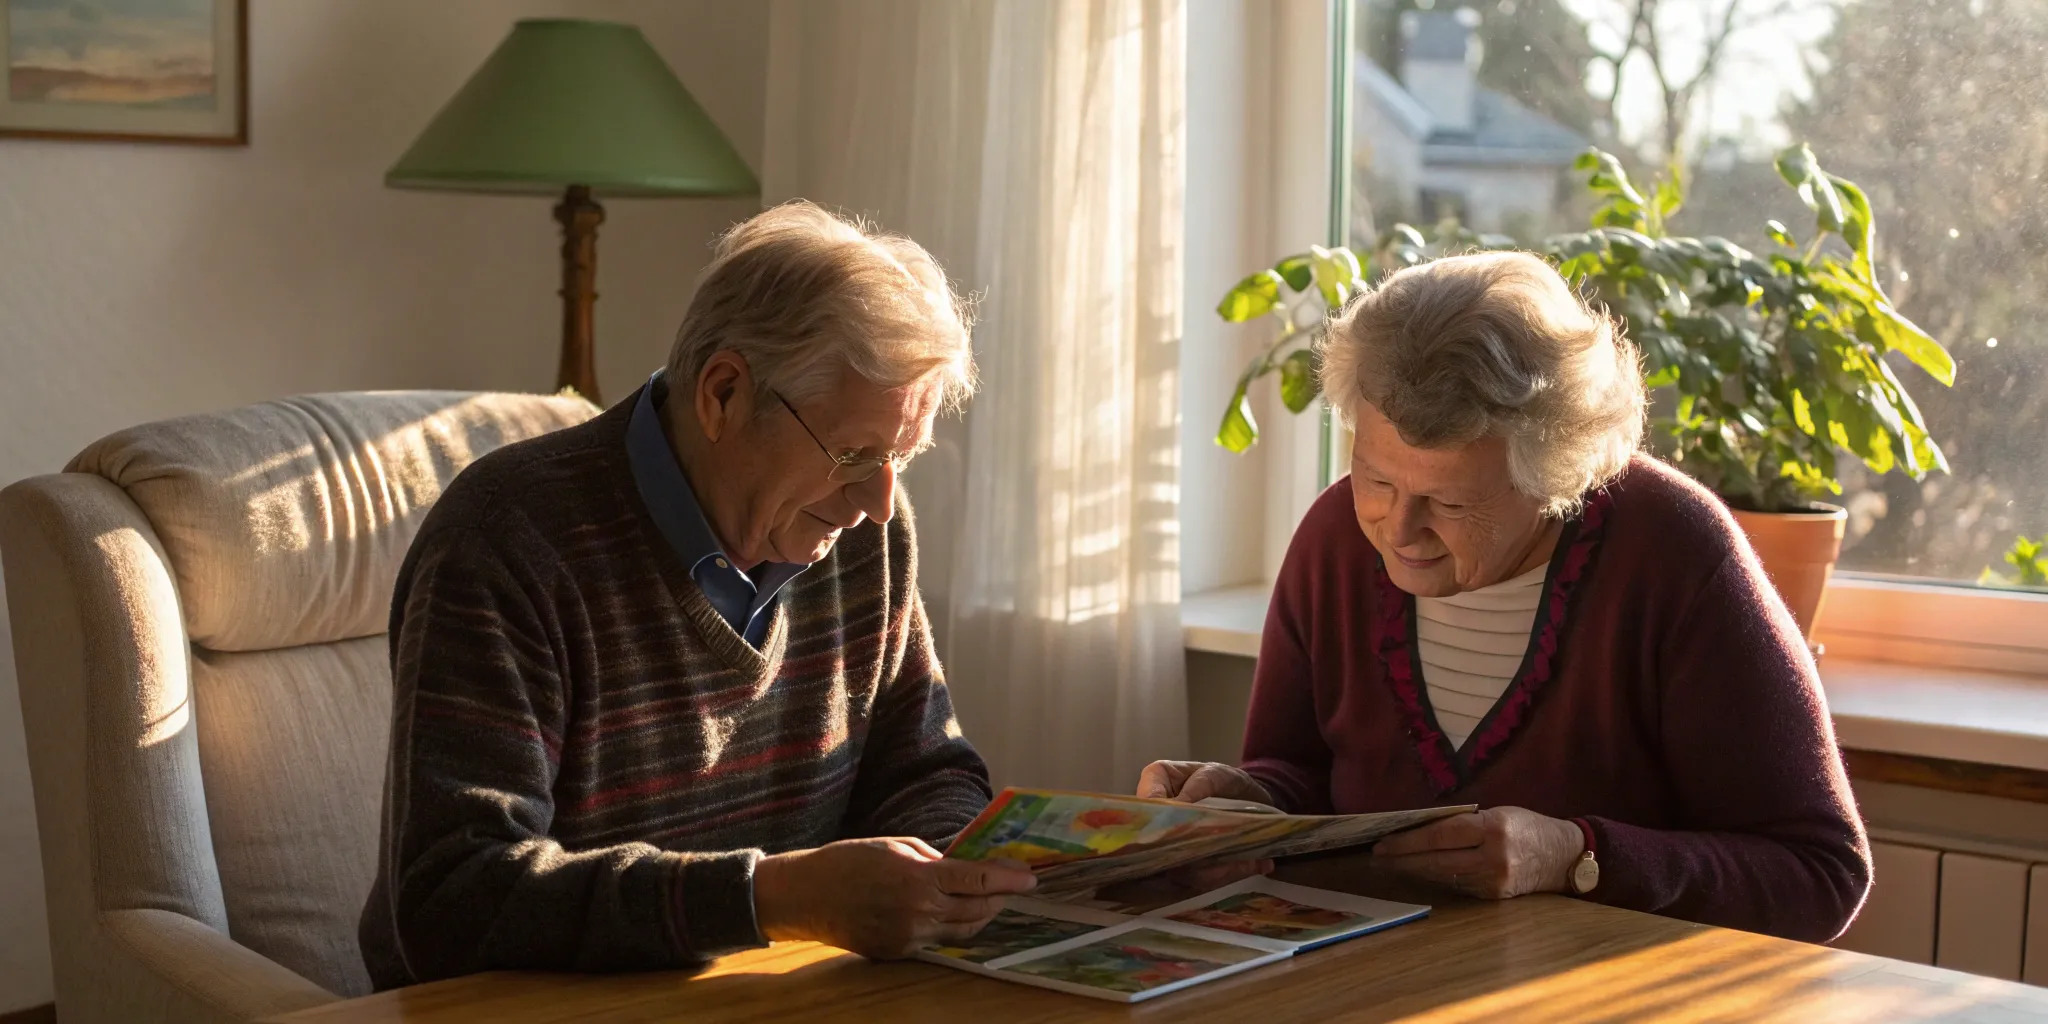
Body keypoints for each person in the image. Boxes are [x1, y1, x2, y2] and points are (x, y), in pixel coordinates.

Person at [360, 202, 1035, 989]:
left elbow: (925, 771)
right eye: (854, 452)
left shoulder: (864, 534)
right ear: (722, 393)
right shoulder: (506, 543)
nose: (881, 501)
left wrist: (944, 876)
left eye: (900, 457)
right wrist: (771, 898)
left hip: (776, 996)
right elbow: (454, 900)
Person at [1139, 251, 1871, 943]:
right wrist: (1243, 800)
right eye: (1376, 478)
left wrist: (1574, 856)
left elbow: (1820, 873)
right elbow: (1304, 776)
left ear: (1554, 478)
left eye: (1450, 504)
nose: (1399, 530)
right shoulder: (1335, 539)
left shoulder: (1674, 554)